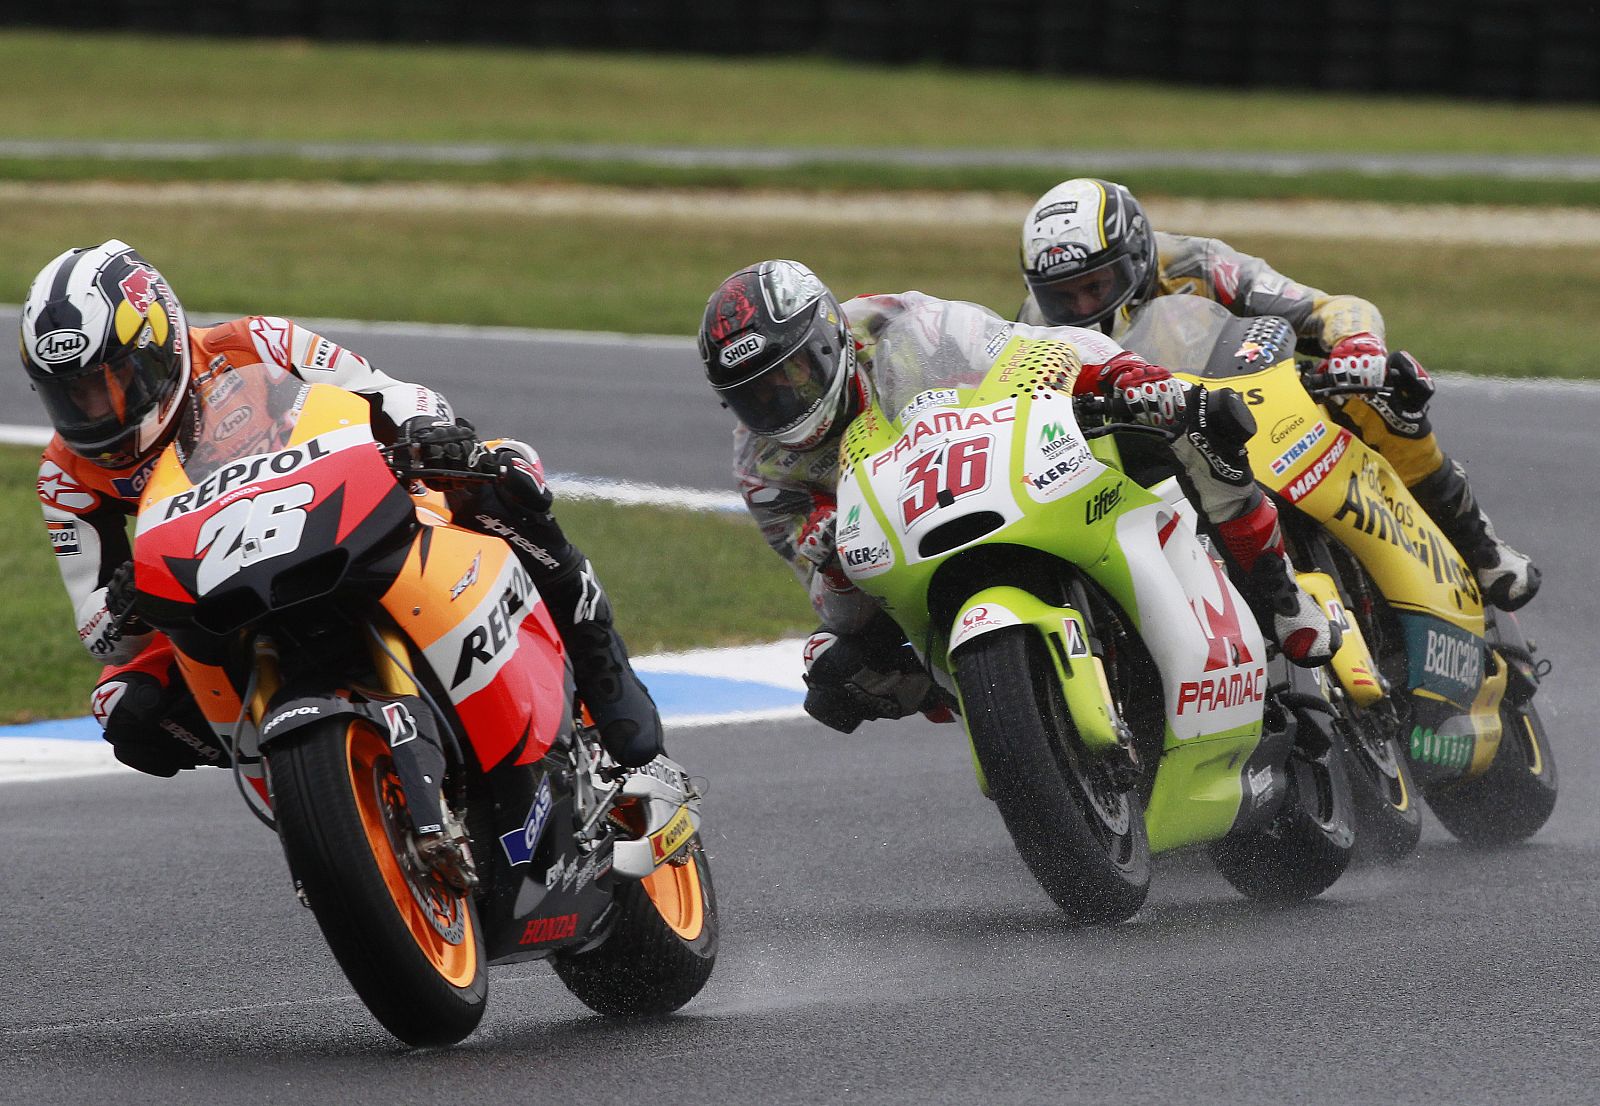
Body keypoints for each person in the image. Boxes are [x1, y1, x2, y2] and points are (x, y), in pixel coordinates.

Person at [21, 239, 662, 775]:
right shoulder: (66, 473)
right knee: (124, 707)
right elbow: (98, 631)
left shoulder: (256, 342)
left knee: (503, 473)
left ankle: (600, 660)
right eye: (71, 396)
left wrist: (433, 434)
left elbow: (394, 395)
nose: (94, 410)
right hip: (214, 584)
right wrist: (126, 597)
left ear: (159, 348)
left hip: (349, 509)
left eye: (111, 382)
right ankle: (304, 772)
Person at [697, 259, 1338, 733]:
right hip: (908, 546)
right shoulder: (764, 465)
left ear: (832, 338)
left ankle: (1277, 595)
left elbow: (1036, 352)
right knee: (831, 666)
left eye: (795, 372)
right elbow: (824, 595)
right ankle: (1014, 710)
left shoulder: (903, 326)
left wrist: (1128, 381)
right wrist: (828, 548)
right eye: (759, 395)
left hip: (1012, 460)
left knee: (1199, 420)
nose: (785, 400)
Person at [1016, 177, 1538, 612]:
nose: (1081, 304)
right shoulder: (1033, 324)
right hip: (1158, 451)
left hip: (1261, 413)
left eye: (1098, 285)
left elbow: (1325, 308)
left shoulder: (1196, 266)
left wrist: (1355, 344)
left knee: (1379, 393)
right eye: (1062, 296)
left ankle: (1478, 545)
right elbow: (1018, 407)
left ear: (1136, 256)